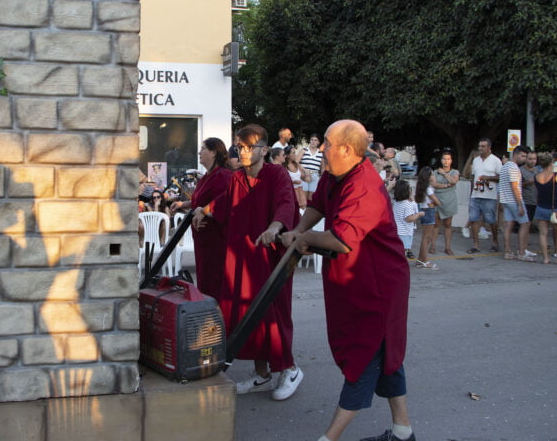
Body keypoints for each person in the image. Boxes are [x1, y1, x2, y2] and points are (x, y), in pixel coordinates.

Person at [281, 120, 415, 441]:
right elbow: (317, 205)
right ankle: (402, 431)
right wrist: (300, 231)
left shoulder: (364, 186)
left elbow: (342, 240)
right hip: (353, 279)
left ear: (346, 149)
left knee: (364, 356)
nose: (322, 147)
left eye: (326, 142)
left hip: (378, 285)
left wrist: (304, 238)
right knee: (387, 358)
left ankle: (329, 438)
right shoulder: (334, 174)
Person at [192, 124, 302, 401]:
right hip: (241, 256)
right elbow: (223, 202)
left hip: (270, 257)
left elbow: (286, 204)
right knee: (247, 315)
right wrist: (202, 210)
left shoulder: (276, 174)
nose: (242, 151)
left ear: (264, 150)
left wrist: (275, 227)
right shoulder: (235, 178)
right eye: (239, 146)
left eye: (249, 146)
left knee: (273, 315)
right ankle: (261, 374)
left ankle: (289, 369)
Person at [171, 138, 232, 299]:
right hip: (204, 242)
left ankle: (217, 319)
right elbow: (200, 201)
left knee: (214, 284)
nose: (199, 152)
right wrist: (182, 203)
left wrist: (204, 211)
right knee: (205, 283)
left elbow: (223, 204)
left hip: (216, 241)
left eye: (203, 149)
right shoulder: (207, 176)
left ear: (213, 152)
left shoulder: (223, 176)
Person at [498, 146, 533, 261]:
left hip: (505, 200)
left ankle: (507, 251)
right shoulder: (513, 168)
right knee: (525, 223)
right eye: (522, 156)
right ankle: (522, 252)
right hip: (514, 200)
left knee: (508, 226)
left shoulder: (505, 166)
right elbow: (515, 187)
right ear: (516, 154)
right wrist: (520, 204)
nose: (524, 159)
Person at [467, 138, 500, 254]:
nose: (480, 148)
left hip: (489, 196)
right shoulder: (476, 160)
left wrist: (489, 177)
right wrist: (471, 193)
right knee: (474, 219)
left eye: (483, 146)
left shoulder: (496, 160)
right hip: (475, 195)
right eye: (479, 146)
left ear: (489, 148)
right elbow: (472, 177)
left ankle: (495, 242)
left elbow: (500, 177)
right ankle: (476, 245)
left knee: (491, 220)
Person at [534, 153, 557, 265]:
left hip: (541, 207)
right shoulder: (556, 175)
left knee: (543, 234)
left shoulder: (537, 176)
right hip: (555, 208)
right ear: (550, 163)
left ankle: (545, 258)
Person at [429, 151, 460, 255]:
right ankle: (432, 246)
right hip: (437, 199)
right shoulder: (434, 172)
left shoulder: (455, 172)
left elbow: (454, 181)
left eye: (448, 159)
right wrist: (446, 185)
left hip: (449, 200)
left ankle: (447, 247)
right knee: (436, 224)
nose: (446, 161)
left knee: (448, 224)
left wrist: (443, 174)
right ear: (441, 160)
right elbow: (433, 184)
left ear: (451, 161)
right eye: (444, 159)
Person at [414, 167, 440, 270]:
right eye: (432, 174)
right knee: (426, 238)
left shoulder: (423, 187)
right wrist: (434, 203)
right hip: (429, 212)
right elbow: (437, 202)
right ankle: (425, 260)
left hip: (425, 210)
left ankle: (420, 260)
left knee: (426, 237)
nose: (434, 176)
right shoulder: (428, 189)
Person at [392, 180, 422, 259]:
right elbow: (409, 219)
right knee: (402, 252)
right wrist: (418, 214)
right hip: (404, 232)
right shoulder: (407, 205)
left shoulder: (396, 202)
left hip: (396, 230)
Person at [298, 133, 323, 200]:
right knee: (303, 197)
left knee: (311, 198)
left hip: (315, 175)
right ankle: (302, 210)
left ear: (318, 142)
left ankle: (308, 210)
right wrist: (305, 170)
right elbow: (296, 162)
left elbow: (322, 168)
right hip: (304, 175)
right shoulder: (304, 150)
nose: (313, 141)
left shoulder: (321, 153)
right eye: (311, 139)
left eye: (315, 140)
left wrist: (321, 177)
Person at [520, 150, 540, 223]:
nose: (532, 161)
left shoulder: (538, 170)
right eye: (530, 159)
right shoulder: (520, 170)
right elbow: (516, 186)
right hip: (525, 201)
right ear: (526, 159)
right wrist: (528, 182)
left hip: (536, 201)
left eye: (534, 159)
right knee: (525, 224)